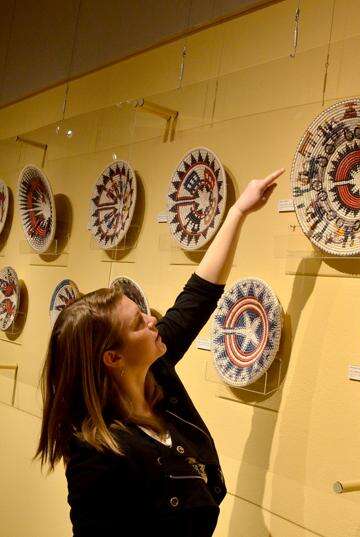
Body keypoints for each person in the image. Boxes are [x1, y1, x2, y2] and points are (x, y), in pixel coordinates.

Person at [35, 168, 283, 536]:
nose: (153, 320)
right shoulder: (95, 454)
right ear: (113, 358)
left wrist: (237, 213)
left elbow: (197, 297)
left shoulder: (155, 372)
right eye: (138, 323)